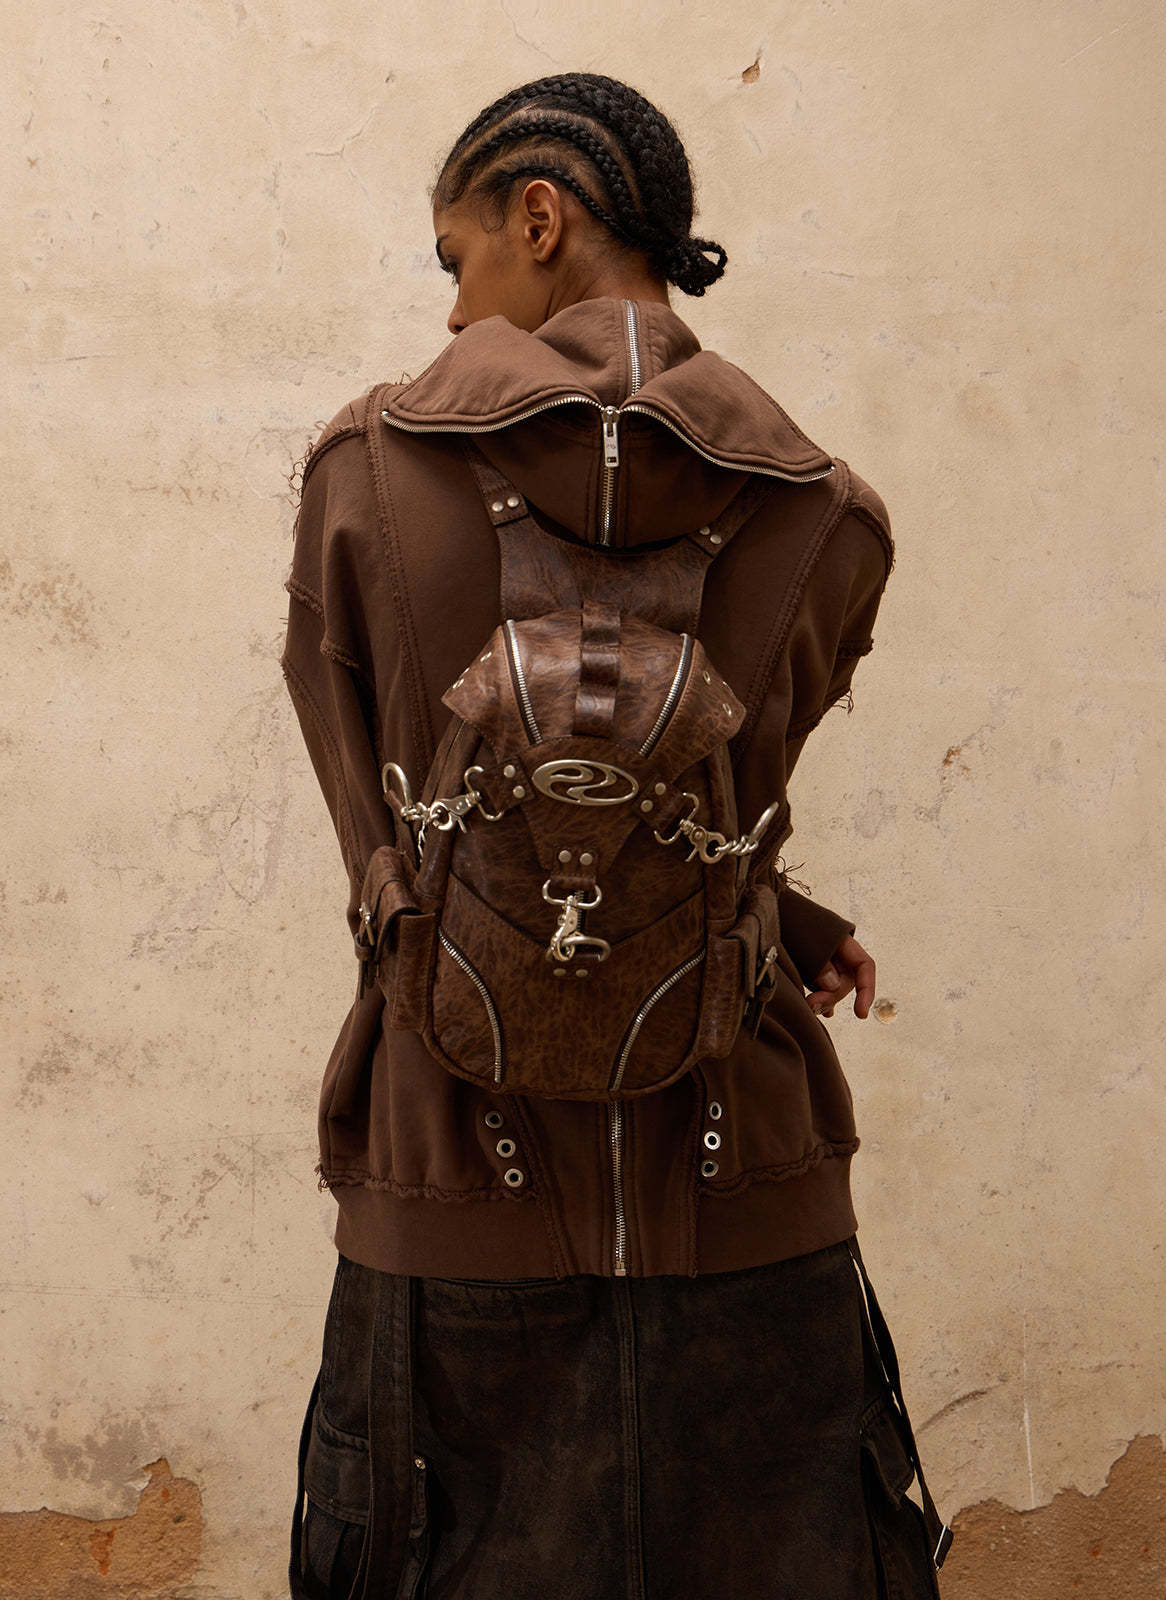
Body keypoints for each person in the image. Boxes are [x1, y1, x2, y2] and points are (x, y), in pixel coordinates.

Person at [282, 70, 952, 1600]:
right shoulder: (832, 517)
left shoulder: (359, 473)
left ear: (540, 218)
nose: (455, 311)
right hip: (746, 1189)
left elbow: (378, 813)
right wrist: (779, 916)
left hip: (453, 1180)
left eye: (457, 258)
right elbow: (723, 803)